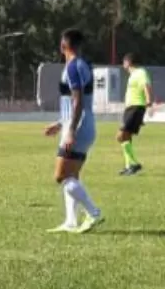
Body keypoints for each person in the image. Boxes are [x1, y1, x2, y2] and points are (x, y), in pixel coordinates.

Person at [43, 28, 104, 234]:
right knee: (72, 176)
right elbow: (75, 103)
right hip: (82, 124)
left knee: (61, 176)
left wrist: (70, 130)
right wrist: (60, 123)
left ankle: (94, 212)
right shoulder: (83, 64)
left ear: (63, 45)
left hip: (78, 126)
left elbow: (77, 102)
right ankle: (71, 221)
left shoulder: (72, 67)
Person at [118, 54, 155, 176]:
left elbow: (146, 85)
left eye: (124, 62)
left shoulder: (140, 72)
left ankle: (134, 163)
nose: (123, 64)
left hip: (136, 107)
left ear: (128, 62)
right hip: (131, 108)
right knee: (127, 137)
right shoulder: (133, 75)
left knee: (120, 136)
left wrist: (149, 102)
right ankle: (129, 166)